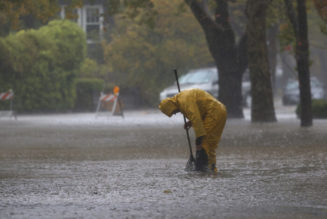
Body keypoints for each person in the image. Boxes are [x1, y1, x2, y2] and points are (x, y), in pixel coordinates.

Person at [159, 88, 227, 173]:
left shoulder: (183, 101)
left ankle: (206, 170)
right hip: (218, 111)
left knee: (204, 144)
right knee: (209, 145)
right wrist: (190, 123)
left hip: (214, 112)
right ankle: (212, 170)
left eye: (173, 112)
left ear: (171, 106)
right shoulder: (181, 99)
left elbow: (197, 120)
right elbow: (199, 112)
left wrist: (198, 141)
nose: (175, 113)